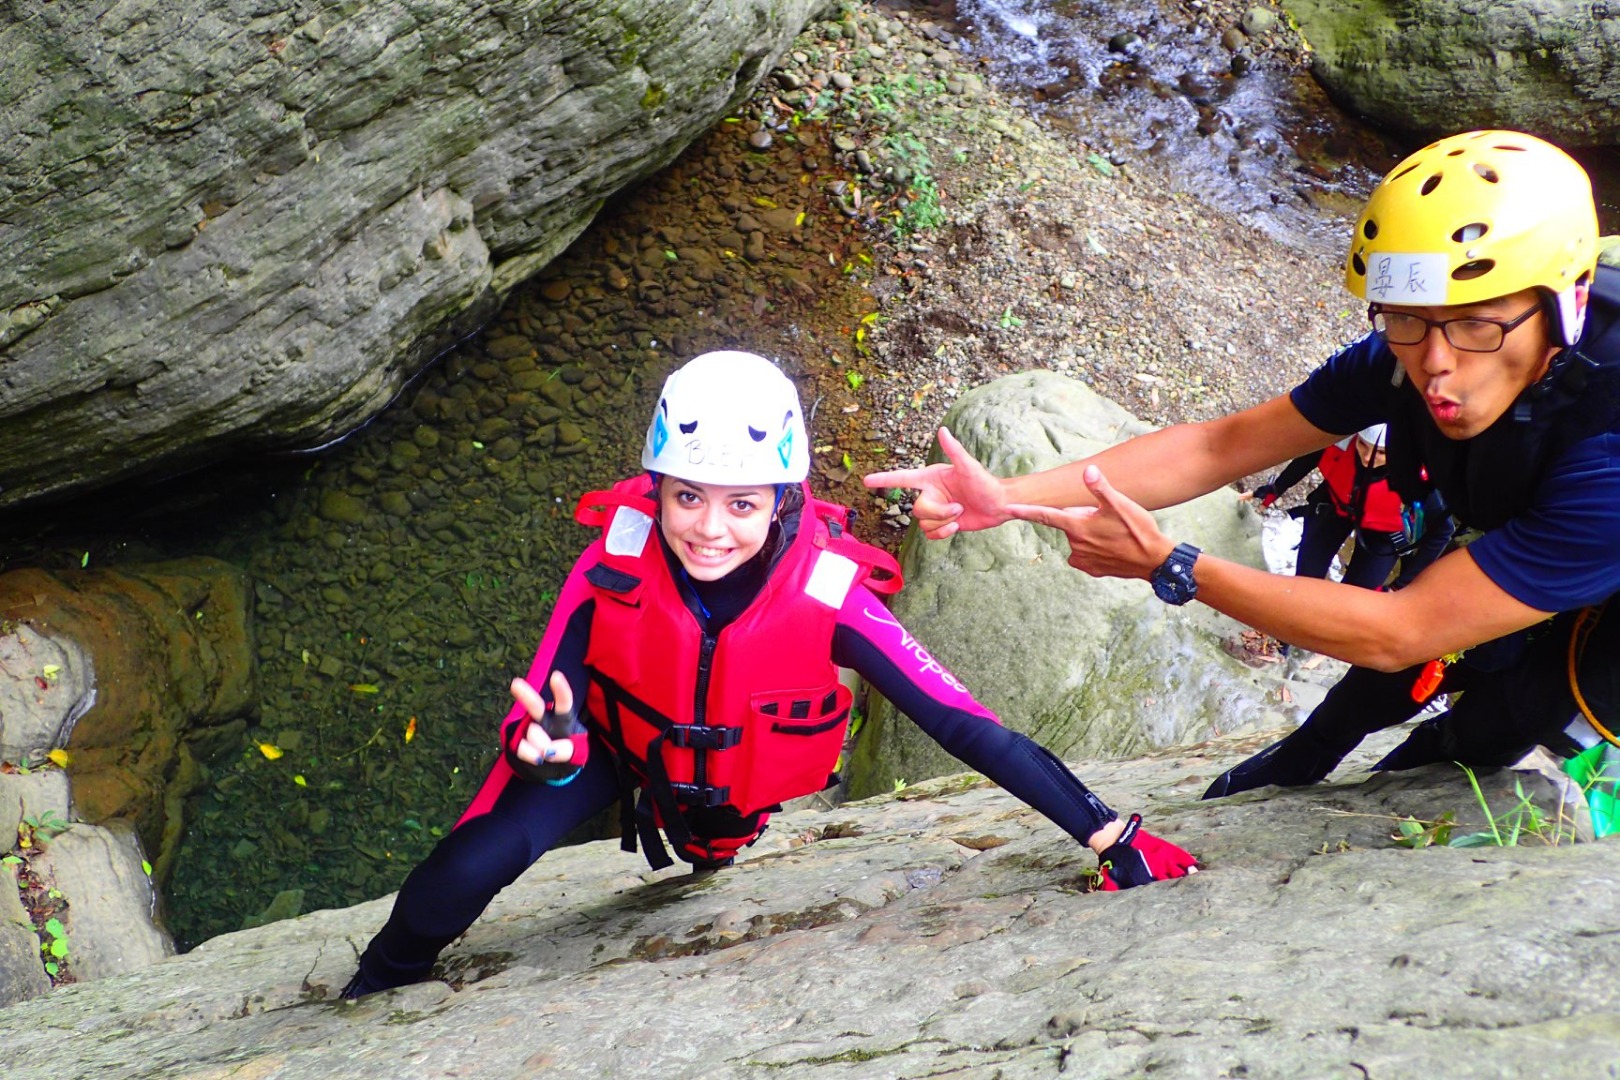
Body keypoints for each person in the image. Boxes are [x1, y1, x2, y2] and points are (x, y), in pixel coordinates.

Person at [342, 351, 1197, 999]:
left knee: (710, 855)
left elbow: (961, 723)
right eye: (687, 496)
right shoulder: (614, 561)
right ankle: (376, 985)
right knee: (461, 870)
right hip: (611, 742)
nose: (709, 529)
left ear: (784, 499)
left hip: (732, 781)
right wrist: (550, 751)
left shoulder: (830, 599)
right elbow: (546, 717)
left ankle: (700, 839)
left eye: (742, 503)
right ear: (657, 488)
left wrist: (1106, 831)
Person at [866, 130, 1620, 808]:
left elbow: (1402, 630)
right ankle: (1306, 758)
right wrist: (1006, 495)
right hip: (1522, 525)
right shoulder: (1410, 350)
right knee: (1366, 696)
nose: (1436, 365)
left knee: (1495, 725)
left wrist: (1176, 564)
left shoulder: (1609, 444)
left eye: (1477, 325)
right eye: (1405, 322)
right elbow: (1219, 448)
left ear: (1568, 303)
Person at [1244, 423, 1454, 591]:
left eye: (1380, 453)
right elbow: (1308, 457)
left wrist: (1402, 583)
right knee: (1304, 584)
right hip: (1334, 508)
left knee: (1353, 601)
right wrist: (1275, 488)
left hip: (1383, 535)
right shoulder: (1342, 442)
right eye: (1362, 445)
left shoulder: (1416, 480)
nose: (1366, 457)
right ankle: (1283, 640)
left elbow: (1442, 532)